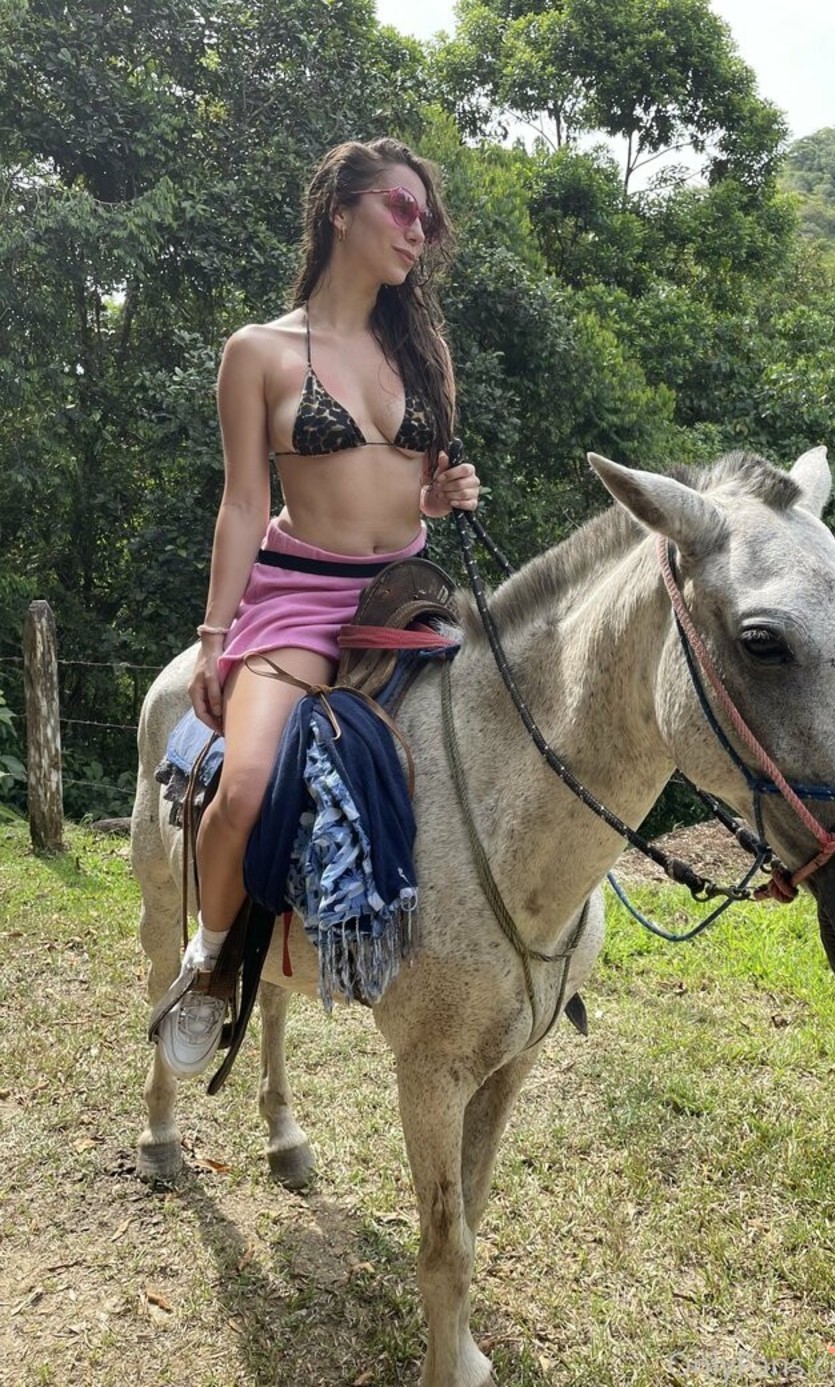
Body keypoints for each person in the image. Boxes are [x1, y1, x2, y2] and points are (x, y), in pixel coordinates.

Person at [155, 138, 479, 1077]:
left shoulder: (420, 351)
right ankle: (210, 962)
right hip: (301, 600)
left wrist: (440, 496)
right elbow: (243, 504)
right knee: (248, 785)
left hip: (405, 598)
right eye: (401, 208)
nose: (417, 232)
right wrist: (215, 636)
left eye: (426, 219)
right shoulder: (257, 351)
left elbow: (414, 486)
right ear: (341, 209)